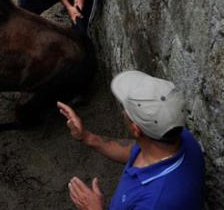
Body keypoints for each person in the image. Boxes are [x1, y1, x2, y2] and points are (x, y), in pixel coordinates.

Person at [58, 70, 205, 209]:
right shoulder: (177, 135)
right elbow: (135, 150)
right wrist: (87, 137)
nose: (123, 112)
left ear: (136, 129)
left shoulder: (156, 202)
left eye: (125, 109)